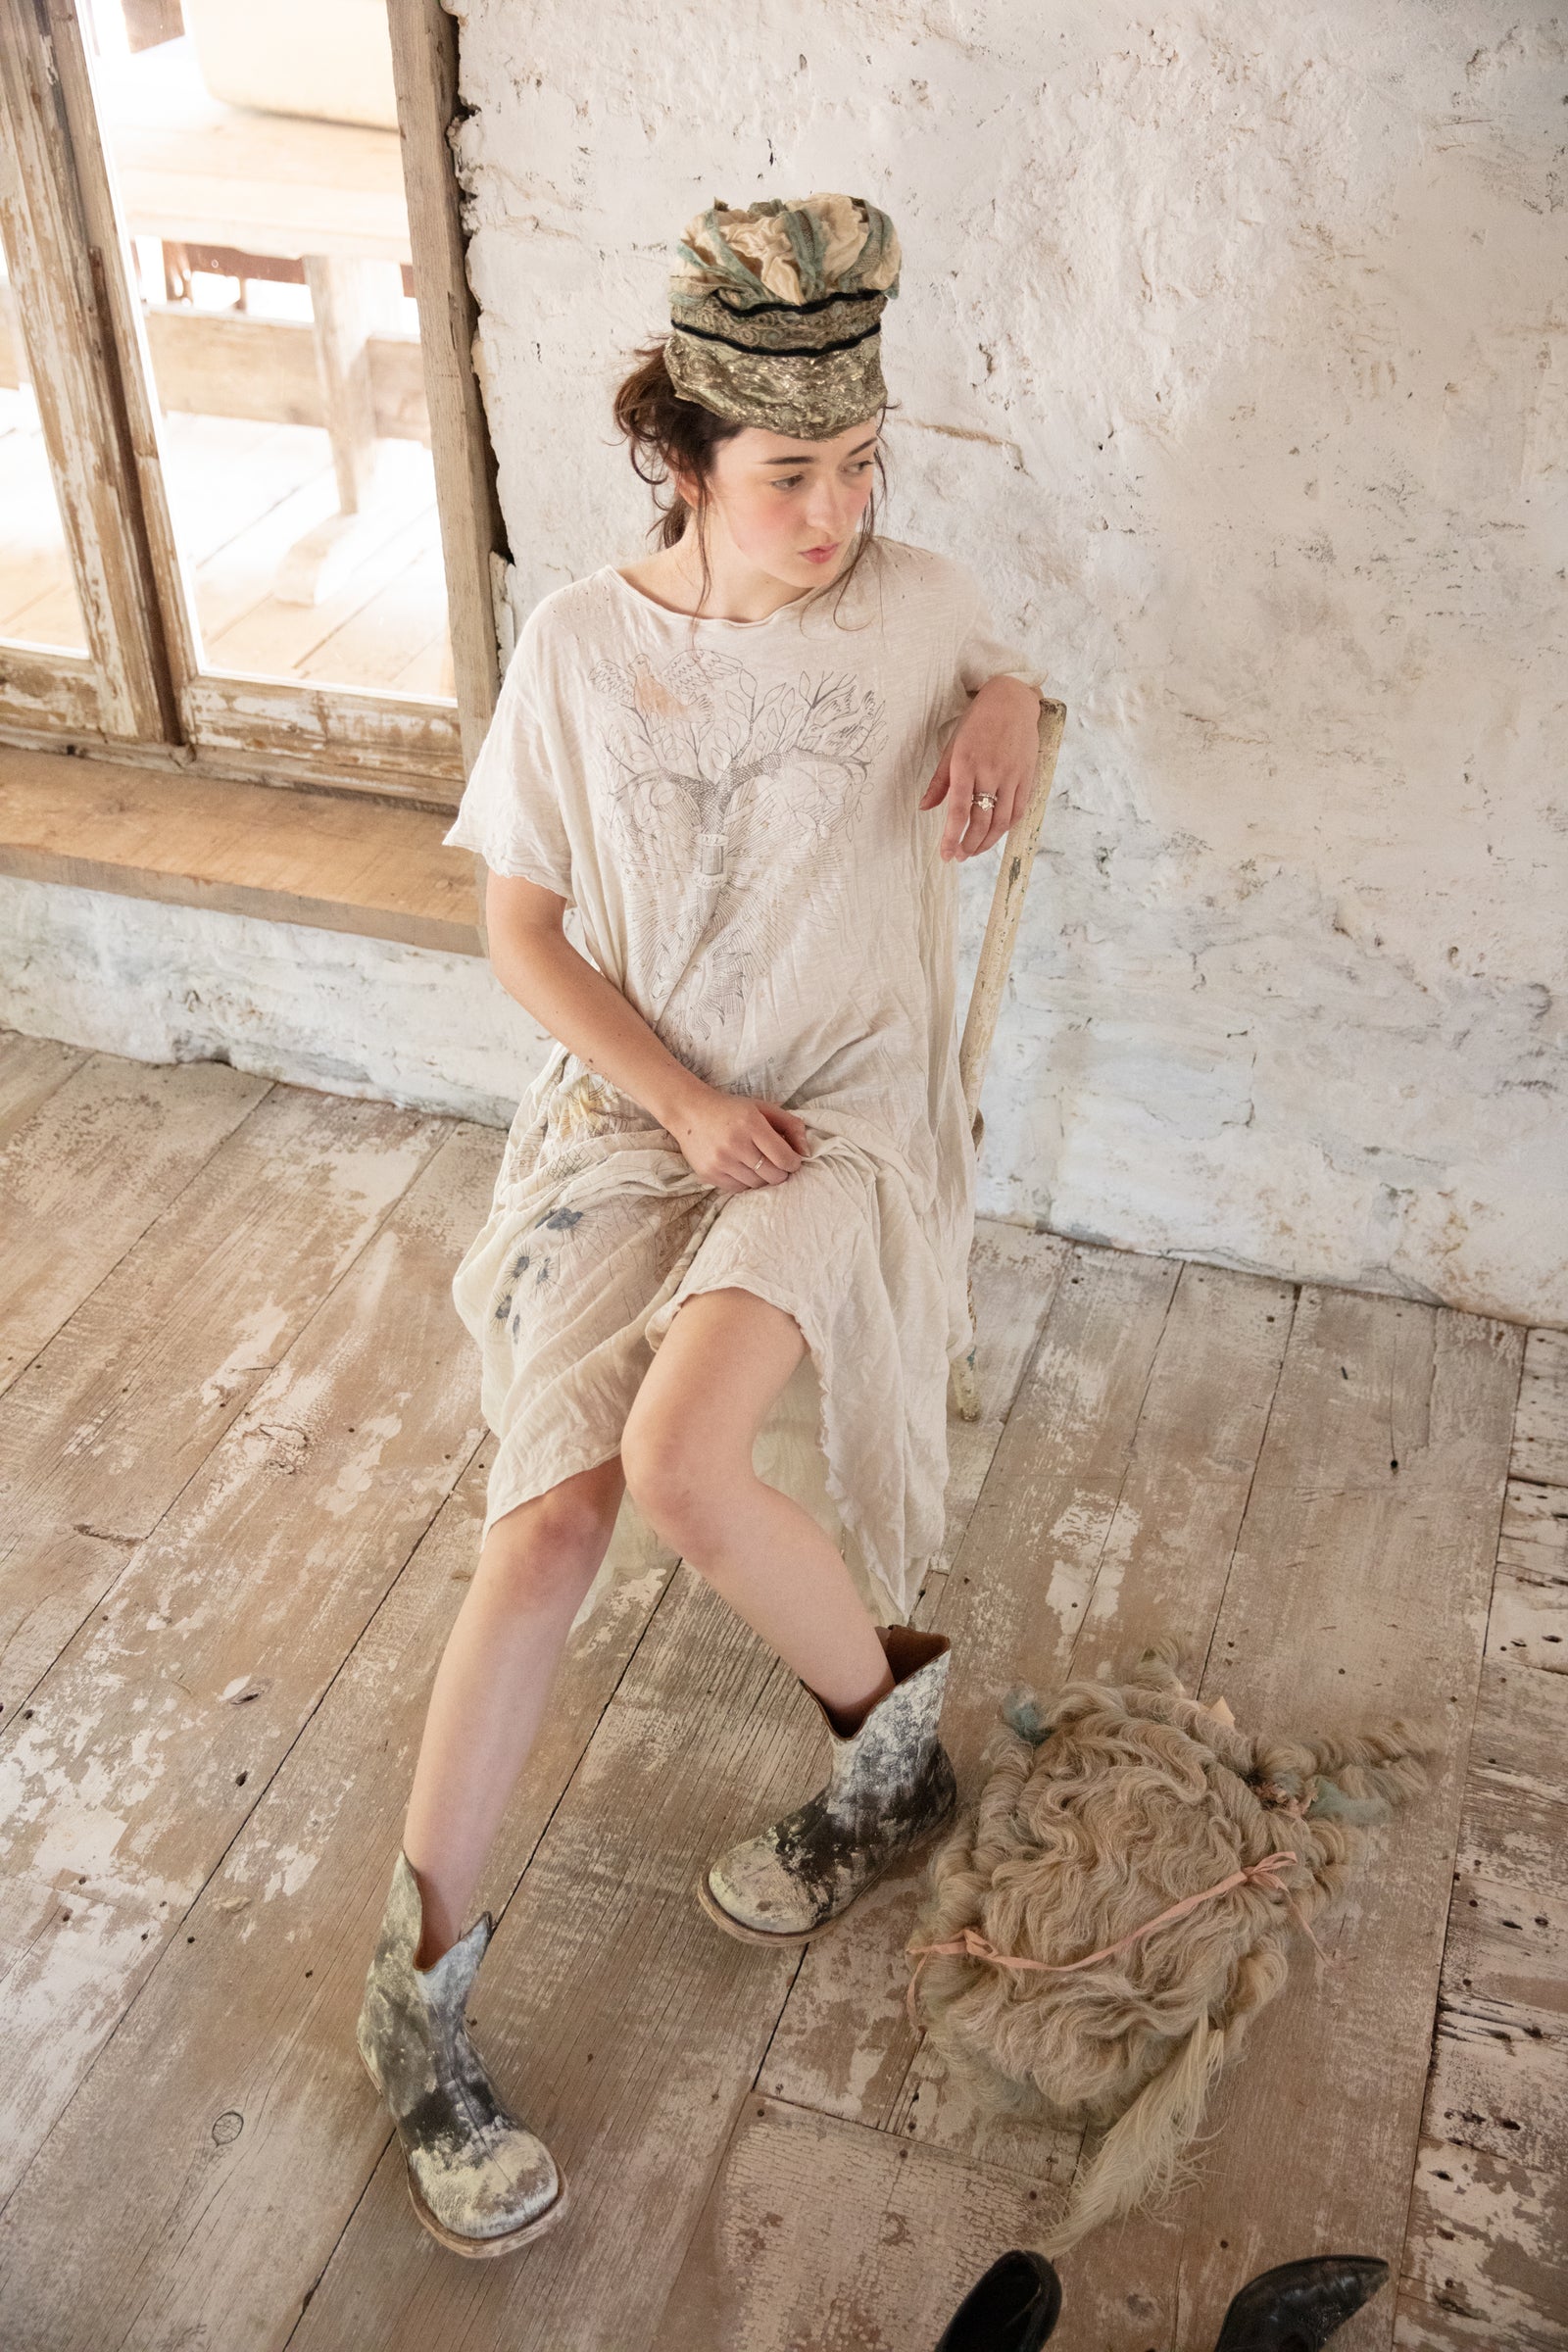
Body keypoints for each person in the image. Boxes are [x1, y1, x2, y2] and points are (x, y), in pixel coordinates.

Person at [354, 191, 1047, 2258]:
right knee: (549, 1521)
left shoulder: (914, 606)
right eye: (787, 475)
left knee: (679, 1459)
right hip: (636, 1106)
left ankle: (889, 1766)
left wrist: (1008, 699)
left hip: (841, 1110)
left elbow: (995, 658)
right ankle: (413, 1999)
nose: (834, 514)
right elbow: (522, 932)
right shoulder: (582, 648)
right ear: (682, 457)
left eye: (860, 466)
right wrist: (673, 1099)